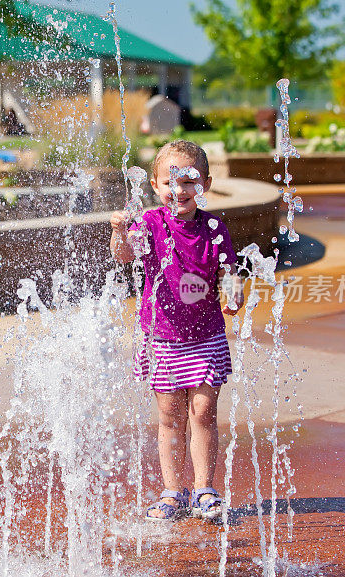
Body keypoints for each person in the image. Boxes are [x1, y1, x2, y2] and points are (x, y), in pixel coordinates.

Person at [109, 140, 244, 522]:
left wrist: (234, 297)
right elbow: (125, 255)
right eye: (170, 181)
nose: (179, 190)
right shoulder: (149, 222)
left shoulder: (215, 228)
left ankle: (205, 488)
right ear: (155, 185)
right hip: (161, 338)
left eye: (189, 180)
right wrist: (120, 231)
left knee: (203, 410)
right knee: (170, 415)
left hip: (206, 335)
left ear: (206, 183)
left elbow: (229, 272)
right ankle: (172, 492)